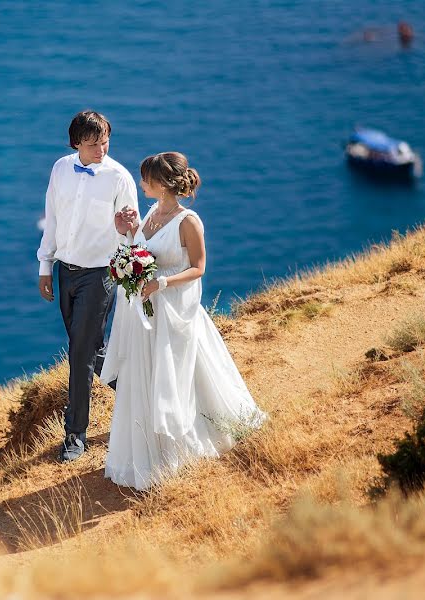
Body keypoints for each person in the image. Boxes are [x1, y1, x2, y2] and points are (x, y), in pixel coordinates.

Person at [101, 152, 266, 490]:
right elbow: (141, 250)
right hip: (148, 311)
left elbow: (199, 267)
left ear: (160, 184)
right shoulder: (151, 213)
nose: (141, 183)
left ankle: (186, 442)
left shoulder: (188, 220)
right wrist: (129, 232)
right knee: (150, 375)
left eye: (145, 178)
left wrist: (161, 283)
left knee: (179, 373)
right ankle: (152, 445)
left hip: (174, 308)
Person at [37, 110, 140, 461]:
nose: (101, 149)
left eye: (105, 141)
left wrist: (124, 233)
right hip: (66, 270)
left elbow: (131, 234)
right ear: (76, 142)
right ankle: (138, 396)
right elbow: (52, 217)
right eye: (94, 143)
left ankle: (75, 434)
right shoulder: (60, 168)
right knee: (91, 349)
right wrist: (45, 264)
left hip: (100, 275)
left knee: (79, 353)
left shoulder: (119, 177)